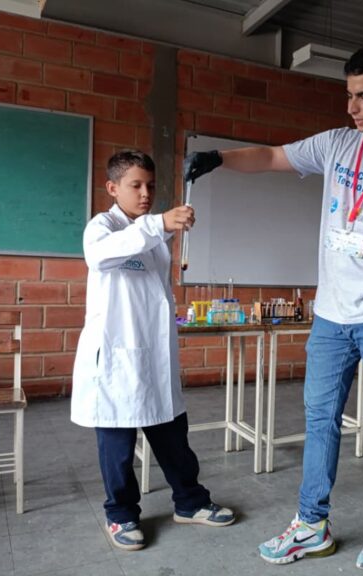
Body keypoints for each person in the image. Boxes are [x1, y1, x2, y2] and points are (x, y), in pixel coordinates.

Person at [184, 42, 363, 573]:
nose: (352, 108)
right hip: (331, 312)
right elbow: (272, 156)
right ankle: (312, 525)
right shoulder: (335, 144)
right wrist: (220, 159)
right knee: (321, 417)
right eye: (349, 95)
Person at [71, 150, 235, 552]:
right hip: (115, 356)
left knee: (172, 435)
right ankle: (121, 514)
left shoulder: (155, 236)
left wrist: (159, 228)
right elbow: (102, 256)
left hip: (154, 355)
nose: (145, 193)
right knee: (117, 446)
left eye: (150, 185)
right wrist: (158, 222)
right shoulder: (102, 228)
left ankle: (190, 502)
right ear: (113, 188)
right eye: (135, 185)